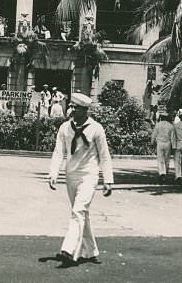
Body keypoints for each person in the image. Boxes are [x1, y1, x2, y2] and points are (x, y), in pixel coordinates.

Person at [48, 93, 113, 266]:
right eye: (71, 106)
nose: (72, 110)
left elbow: (104, 155)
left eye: (76, 108)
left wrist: (108, 179)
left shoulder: (96, 128)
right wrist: (54, 173)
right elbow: (58, 152)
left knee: (78, 210)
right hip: (71, 175)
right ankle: (91, 251)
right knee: (81, 213)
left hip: (89, 175)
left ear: (85, 110)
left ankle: (68, 250)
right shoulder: (64, 128)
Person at [151, 112, 175, 181]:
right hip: (168, 143)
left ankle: (161, 173)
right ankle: (165, 172)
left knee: (160, 159)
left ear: (161, 117)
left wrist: (152, 142)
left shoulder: (158, 125)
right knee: (167, 159)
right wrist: (174, 146)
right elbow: (173, 137)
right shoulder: (170, 126)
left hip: (160, 143)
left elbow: (154, 134)